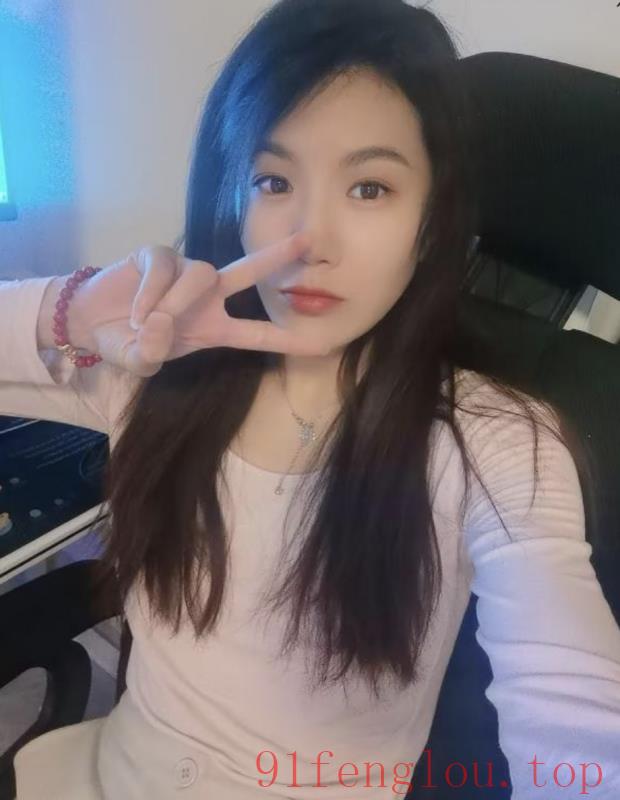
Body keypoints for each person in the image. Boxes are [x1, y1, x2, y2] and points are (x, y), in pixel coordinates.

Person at [2, 0, 619, 797]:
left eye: (369, 187)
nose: (312, 240)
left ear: (432, 219)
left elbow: (573, 711)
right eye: (274, 180)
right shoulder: (158, 371)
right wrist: (74, 310)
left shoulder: (495, 442)